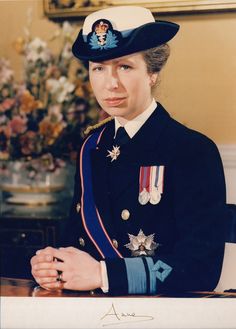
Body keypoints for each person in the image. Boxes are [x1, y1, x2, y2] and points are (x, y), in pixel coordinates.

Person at [31, 6, 228, 296]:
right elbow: (77, 242)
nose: (110, 83)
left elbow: (201, 269)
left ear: (153, 73)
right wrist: (54, 267)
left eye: (124, 66)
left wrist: (102, 274)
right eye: (98, 68)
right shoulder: (92, 148)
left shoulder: (192, 151)